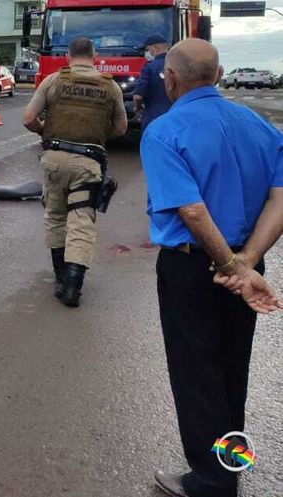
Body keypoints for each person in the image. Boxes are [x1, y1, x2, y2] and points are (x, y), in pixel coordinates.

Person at [141, 39, 283, 497]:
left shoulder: (164, 131)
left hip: (194, 268)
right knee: (231, 369)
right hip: (246, 264)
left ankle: (210, 482)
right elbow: (280, 198)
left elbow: (192, 210)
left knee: (196, 372)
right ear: (219, 76)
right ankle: (230, 463)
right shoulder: (260, 126)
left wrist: (230, 264)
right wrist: (247, 263)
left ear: (170, 79)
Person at [21, 37, 128, 307]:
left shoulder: (53, 80)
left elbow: (28, 119)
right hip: (88, 162)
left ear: (69, 56)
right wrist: (96, 137)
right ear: (94, 56)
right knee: (81, 222)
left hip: (54, 160)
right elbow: (121, 127)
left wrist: (45, 132)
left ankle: (60, 277)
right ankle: (73, 287)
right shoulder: (110, 86)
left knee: (56, 217)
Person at [133, 35, 172, 130]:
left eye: (148, 49)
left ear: (156, 48)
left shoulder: (149, 67)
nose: (147, 53)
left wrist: (137, 108)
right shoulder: (177, 65)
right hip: (174, 115)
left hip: (153, 117)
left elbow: (138, 96)